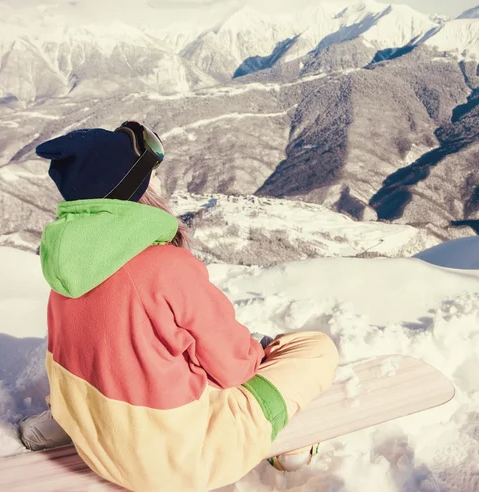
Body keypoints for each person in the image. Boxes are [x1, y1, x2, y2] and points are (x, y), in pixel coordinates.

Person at [23, 121, 339, 492]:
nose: (160, 184)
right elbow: (237, 368)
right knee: (315, 351)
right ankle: (291, 451)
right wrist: (259, 349)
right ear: (132, 191)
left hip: (100, 446)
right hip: (174, 464)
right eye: (150, 177)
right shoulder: (165, 267)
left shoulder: (66, 273)